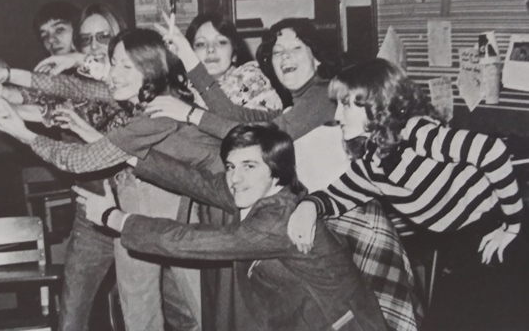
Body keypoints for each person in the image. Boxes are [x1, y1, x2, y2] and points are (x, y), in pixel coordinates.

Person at [148, 18, 422, 331]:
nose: (285, 57)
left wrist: (189, 113)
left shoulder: (324, 94)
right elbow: (236, 117)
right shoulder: (296, 105)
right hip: (329, 224)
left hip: (355, 226)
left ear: (316, 57)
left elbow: (259, 139)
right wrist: (187, 54)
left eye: (295, 48)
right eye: (278, 51)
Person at [0, 28, 219, 331]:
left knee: (205, 313)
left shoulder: (158, 114)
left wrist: (23, 133)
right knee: (142, 309)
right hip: (144, 201)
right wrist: (4, 75)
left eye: (126, 66)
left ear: (152, 71)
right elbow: (73, 87)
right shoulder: (143, 95)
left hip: (205, 211)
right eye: (114, 63)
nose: (114, 74)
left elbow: (80, 160)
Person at [287, 58, 529, 331]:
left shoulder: (415, 132)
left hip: (499, 231)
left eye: (346, 104)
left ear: (376, 102)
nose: (337, 116)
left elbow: (492, 151)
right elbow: (334, 197)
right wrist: (308, 207)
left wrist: (512, 225)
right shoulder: (373, 164)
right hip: (463, 246)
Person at [73, 123, 388, 331]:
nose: (235, 178)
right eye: (230, 167)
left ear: (276, 171)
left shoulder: (278, 219)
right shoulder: (263, 191)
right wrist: (120, 152)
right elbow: (193, 180)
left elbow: (190, 241)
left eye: (248, 166)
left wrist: (113, 217)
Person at [185, 13, 281, 110]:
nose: (210, 49)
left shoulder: (249, 78)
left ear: (234, 55)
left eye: (221, 42)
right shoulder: (184, 85)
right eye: (201, 44)